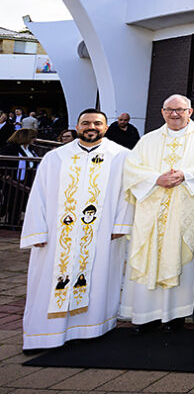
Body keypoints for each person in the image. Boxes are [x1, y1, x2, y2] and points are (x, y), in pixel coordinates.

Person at [20, 109, 133, 350]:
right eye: (86, 123)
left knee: (99, 278)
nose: (91, 127)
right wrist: (37, 230)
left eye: (97, 123)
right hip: (57, 235)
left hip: (101, 234)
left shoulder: (121, 156)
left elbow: (128, 193)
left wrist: (121, 225)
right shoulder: (56, 158)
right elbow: (38, 195)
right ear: (77, 126)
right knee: (48, 282)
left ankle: (92, 329)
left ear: (105, 127)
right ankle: (46, 336)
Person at [121, 94, 194, 333]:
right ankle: (146, 316)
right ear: (162, 112)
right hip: (152, 212)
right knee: (149, 259)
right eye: (170, 110)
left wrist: (185, 175)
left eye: (180, 109)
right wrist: (156, 179)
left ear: (190, 112)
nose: (175, 114)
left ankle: (176, 315)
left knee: (181, 258)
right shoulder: (148, 140)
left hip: (185, 210)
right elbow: (131, 167)